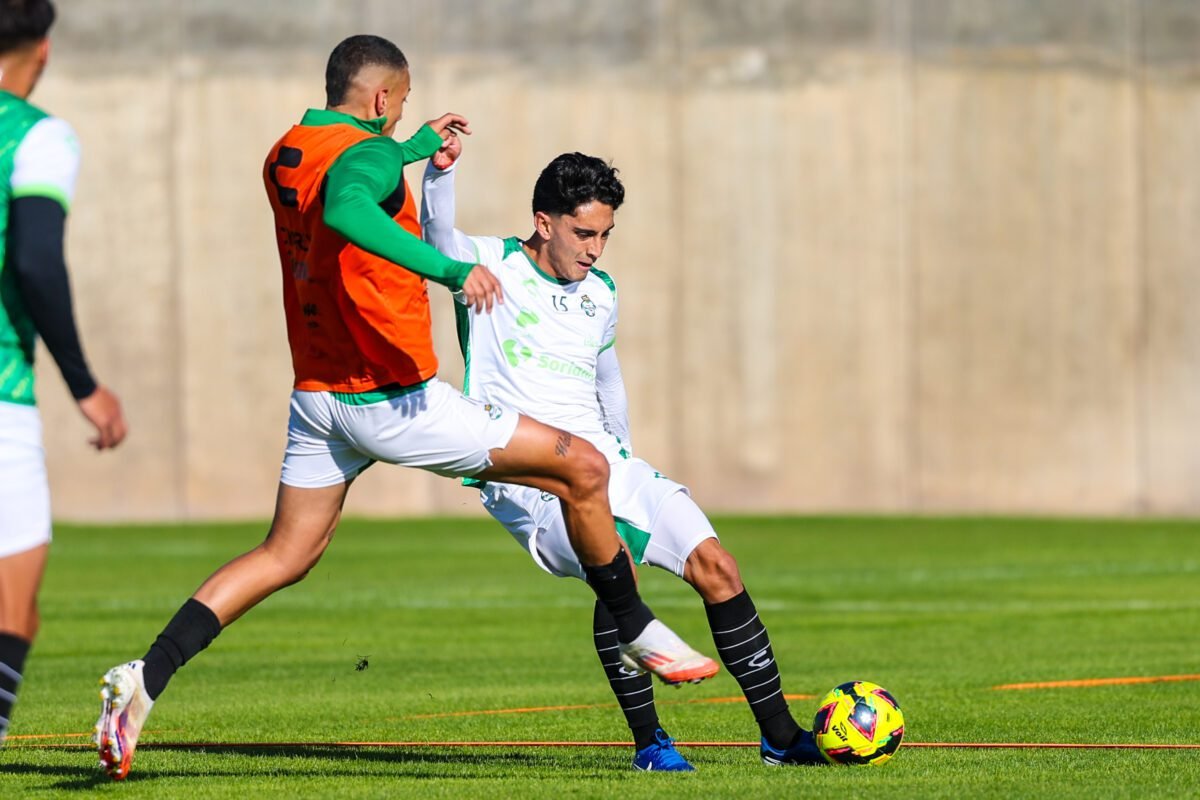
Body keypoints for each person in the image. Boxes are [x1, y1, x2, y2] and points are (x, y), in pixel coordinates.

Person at [94, 34, 716, 781]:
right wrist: (451, 269)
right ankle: (638, 626)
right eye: (406, 102)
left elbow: (359, 167)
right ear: (383, 98)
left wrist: (418, 147)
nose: (404, 116)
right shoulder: (366, 160)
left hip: (319, 398)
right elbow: (355, 205)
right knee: (582, 467)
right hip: (394, 399)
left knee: (284, 555)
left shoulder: (289, 149)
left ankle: (145, 677)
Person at [420, 139, 826, 770]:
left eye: (605, 235)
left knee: (718, 566)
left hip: (608, 463)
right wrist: (440, 172)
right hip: (530, 480)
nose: (594, 249)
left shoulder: (601, 291)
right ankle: (651, 745)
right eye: (584, 233)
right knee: (622, 580)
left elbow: (607, 377)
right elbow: (436, 235)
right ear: (543, 222)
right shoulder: (487, 263)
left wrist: (626, 455)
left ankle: (780, 736)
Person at [0, 0, 128, 748]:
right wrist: (85, 384)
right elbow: (35, 261)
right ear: (42, 51)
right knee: (12, 610)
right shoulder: (38, 136)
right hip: (3, 394)